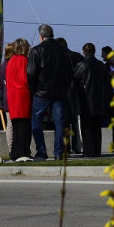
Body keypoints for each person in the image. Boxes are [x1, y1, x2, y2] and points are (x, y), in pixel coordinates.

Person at [27, 24, 73, 161]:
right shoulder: (63, 50)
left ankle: (41, 151)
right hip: (59, 92)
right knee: (59, 123)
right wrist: (65, 86)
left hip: (41, 92)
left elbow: (31, 72)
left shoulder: (36, 50)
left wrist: (32, 89)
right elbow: (69, 72)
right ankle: (58, 152)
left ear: (41, 37)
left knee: (36, 120)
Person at [73, 43, 106, 157]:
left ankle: (88, 151)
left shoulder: (82, 65)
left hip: (85, 100)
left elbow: (75, 80)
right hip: (98, 100)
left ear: (83, 51)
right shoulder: (100, 65)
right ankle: (97, 150)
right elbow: (107, 80)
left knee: (86, 127)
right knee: (97, 127)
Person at [7, 39, 32, 161]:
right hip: (22, 96)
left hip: (12, 97)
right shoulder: (23, 60)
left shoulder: (11, 61)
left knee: (16, 126)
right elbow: (25, 79)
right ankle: (24, 152)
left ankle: (15, 152)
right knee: (24, 127)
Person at [0, 42, 15, 155]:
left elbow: (0, 85)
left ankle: (10, 148)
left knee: (10, 125)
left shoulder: (2, 66)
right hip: (15, 98)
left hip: (6, 99)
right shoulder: (13, 64)